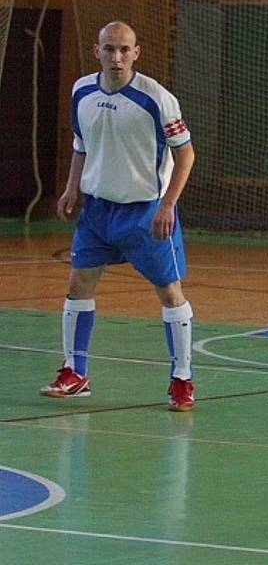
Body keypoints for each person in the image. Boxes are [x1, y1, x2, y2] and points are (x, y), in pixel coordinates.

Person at [39, 21, 197, 412]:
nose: (117, 57)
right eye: (109, 49)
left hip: (145, 212)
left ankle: (182, 378)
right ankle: (75, 372)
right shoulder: (82, 91)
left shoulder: (156, 98)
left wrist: (167, 205)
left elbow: (186, 154)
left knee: (169, 293)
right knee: (78, 285)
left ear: (136, 53)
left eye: (124, 49)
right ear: (97, 52)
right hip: (97, 211)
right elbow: (81, 143)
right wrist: (72, 187)